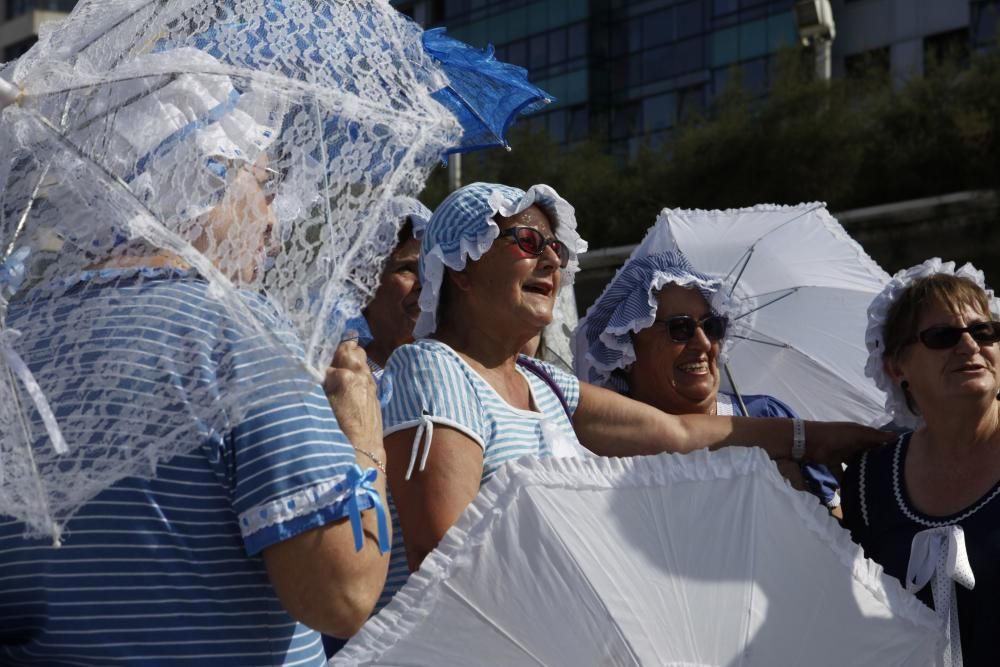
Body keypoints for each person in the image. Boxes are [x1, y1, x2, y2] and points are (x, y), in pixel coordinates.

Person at [0, 66, 390, 665]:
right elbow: (340, 592)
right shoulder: (233, 329)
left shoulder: (16, 341)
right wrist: (365, 443)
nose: (274, 226)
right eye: (263, 185)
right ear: (204, 181)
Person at [380, 182, 886, 577]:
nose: (552, 259)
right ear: (461, 268)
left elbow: (680, 434)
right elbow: (444, 559)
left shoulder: (543, 381)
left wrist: (829, 439)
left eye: (555, 246)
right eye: (528, 241)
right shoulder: (432, 366)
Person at [576, 249, 842, 513]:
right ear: (627, 348)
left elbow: (843, 532)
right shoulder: (605, 453)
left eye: (711, 325)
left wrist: (801, 502)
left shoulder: (768, 417)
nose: (703, 343)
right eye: (680, 328)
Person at [841, 258, 1000, 666]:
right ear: (897, 366)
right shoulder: (869, 480)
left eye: (983, 331)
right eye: (943, 336)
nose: (969, 346)